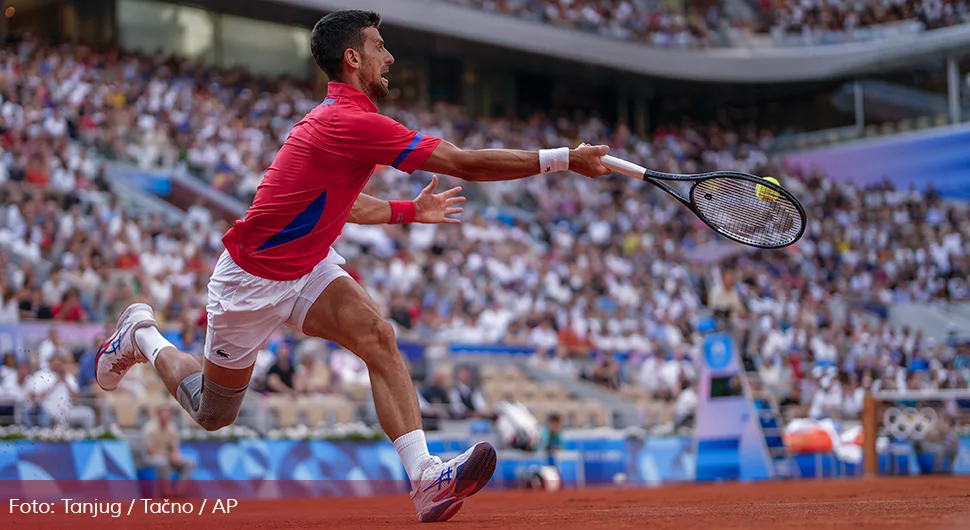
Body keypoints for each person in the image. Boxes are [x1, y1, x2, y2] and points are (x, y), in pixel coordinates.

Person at [95, 9, 610, 523]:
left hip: (309, 267)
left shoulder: (349, 123)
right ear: (353, 58)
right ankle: (141, 336)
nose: (390, 56)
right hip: (248, 282)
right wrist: (564, 158)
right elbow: (465, 163)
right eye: (380, 46)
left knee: (378, 336)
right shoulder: (349, 121)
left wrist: (411, 211)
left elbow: (348, 205)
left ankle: (426, 479)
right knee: (212, 413)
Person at [142, 403, 196, 498]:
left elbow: (174, 447)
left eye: (168, 412)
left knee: (190, 463)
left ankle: (179, 492)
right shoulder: (150, 428)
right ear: (158, 413)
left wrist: (176, 455)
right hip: (152, 457)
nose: (167, 414)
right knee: (163, 462)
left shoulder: (172, 428)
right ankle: (166, 493)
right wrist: (168, 456)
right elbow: (150, 451)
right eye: (164, 412)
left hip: (167, 457)